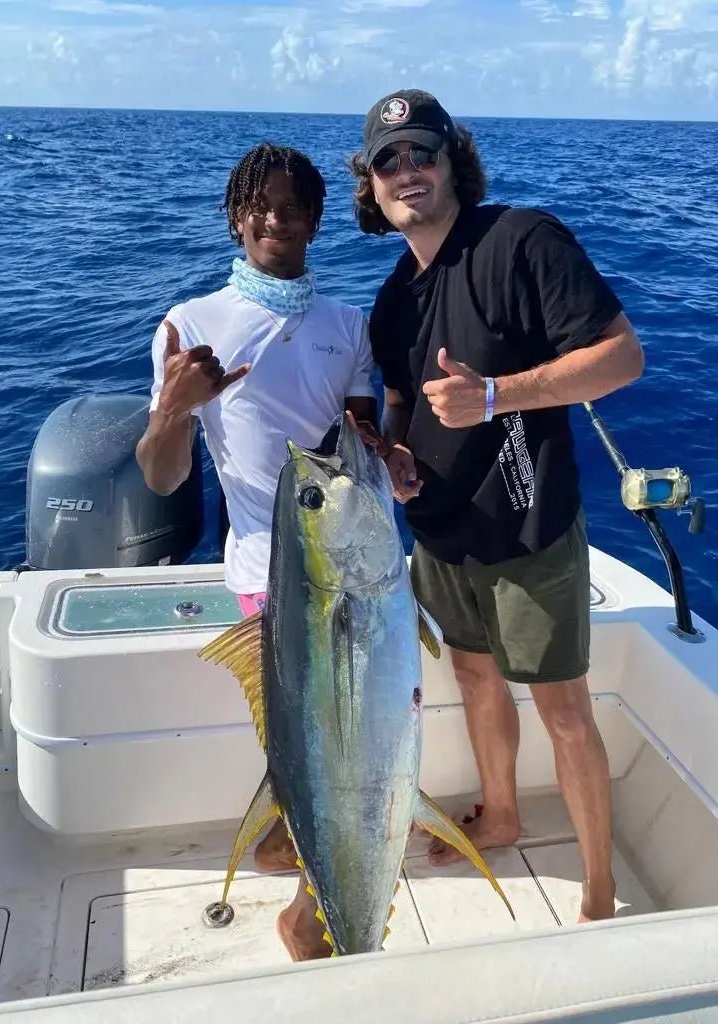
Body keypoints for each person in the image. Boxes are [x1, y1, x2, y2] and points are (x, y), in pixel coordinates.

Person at [350, 89, 645, 923]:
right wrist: (395, 459)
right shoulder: (392, 300)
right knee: (476, 677)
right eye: (388, 160)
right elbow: (400, 405)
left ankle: (599, 889)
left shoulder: (521, 240)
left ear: (454, 162)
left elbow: (622, 357)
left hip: (529, 529)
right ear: (371, 186)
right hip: (439, 538)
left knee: (563, 709)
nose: (407, 170)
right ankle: (504, 814)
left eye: (423, 151)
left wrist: (498, 396)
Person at [136, 141, 377, 958]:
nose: (277, 218)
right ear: (237, 216)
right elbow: (163, 477)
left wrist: (390, 449)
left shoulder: (348, 326)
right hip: (265, 573)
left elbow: (361, 438)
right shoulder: (191, 324)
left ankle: (282, 843)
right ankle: (310, 913)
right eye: (260, 205)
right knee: (321, 742)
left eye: (294, 205)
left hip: (347, 563)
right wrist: (174, 408)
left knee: (321, 735)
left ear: (316, 220)